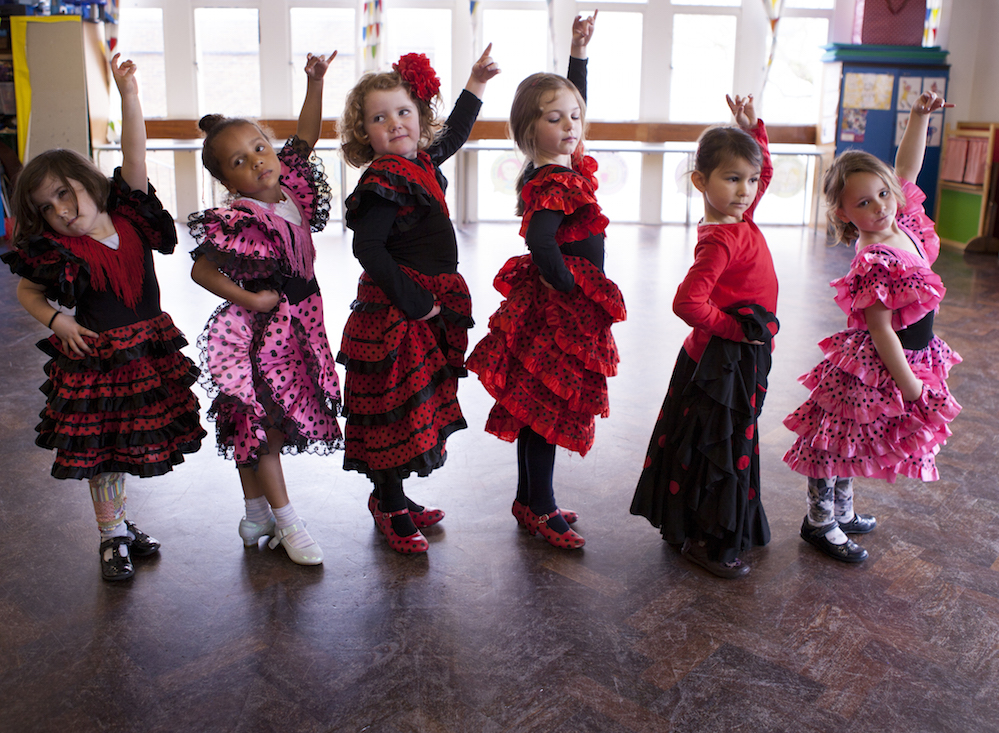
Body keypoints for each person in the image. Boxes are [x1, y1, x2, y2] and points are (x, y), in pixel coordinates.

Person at [1, 55, 206, 582]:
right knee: (106, 453)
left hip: (146, 352)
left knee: (130, 445)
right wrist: (57, 322)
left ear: (86, 179)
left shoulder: (131, 211)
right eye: (48, 207)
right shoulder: (58, 252)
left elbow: (135, 151)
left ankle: (119, 523)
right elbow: (27, 290)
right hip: (99, 360)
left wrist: (129, 94)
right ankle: (111, 535)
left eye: (65, 192)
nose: (63, 210)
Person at [466, 12, 626, 551]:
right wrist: (569, 288)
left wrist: (579, 54)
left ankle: (531, 500)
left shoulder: (564, 161)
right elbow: (539, 239)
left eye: (575, 119)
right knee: (543, 416)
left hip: (558, 307)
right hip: (559, 311)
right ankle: (540, 508)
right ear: (530, 129)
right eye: (557, 120)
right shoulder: (554, 176)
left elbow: (571, 102)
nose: (572, 126)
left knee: (537, 411)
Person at [783, 91, 961, 563]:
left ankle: (841, 509)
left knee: (857, 438)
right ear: (844, 213)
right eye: (864, 202)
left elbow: (907, 167)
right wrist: (910, 384)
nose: (880, 206)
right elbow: (881, 329)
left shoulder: (901, 218)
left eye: (883, 193)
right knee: (833, 439)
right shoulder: (874, 258)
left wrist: (919, 116)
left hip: (907, 355)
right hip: (877, 363)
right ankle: (818, 522)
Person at [338, 47, 500, 554]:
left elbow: (453, 134)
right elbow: (368, 248)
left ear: (419, 116)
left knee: (414, 409)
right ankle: (388, 505)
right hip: (395, 314)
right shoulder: (383, 178)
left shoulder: (419, 161)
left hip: (419, 307)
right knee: (394, 414)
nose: (395, 123)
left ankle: (397, 498)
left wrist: (474, 83)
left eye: (404, 112)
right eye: (380, 118)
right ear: (366, 133)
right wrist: (415, 302)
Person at [189, 52, 342, 566]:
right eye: (239, 161)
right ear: (228, 182)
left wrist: (315, 82)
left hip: (305, 321)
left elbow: (307, 136)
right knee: (264, 424)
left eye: (259, 147)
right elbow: (201, 272)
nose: (256, 160)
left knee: (264, 424)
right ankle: (289, 524)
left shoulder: (294, 188)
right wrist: (252, 298)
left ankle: (256, 509)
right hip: (264, 330)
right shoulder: (239, 217)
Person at [629, 94, 777, 578]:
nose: (747, 190)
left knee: (720, 446)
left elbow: (763, 173)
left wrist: (753, 131)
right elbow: (688, 303)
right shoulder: (720, 237)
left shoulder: (742, 216)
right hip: (721, 365)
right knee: (719, 452)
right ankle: (707, 543)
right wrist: (737, 331)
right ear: (701, 181)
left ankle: (694, 528)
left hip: (734, 360)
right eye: (732, 179)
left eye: (750, 180)